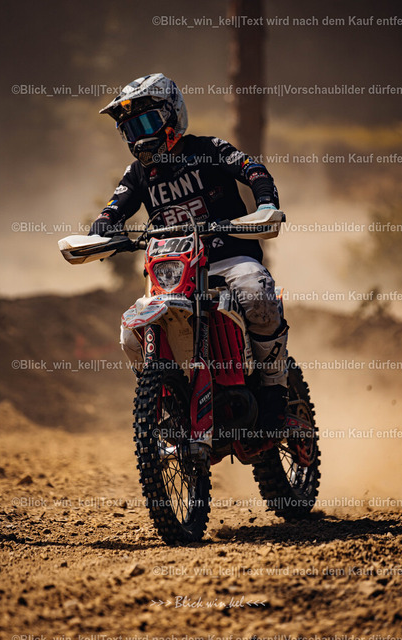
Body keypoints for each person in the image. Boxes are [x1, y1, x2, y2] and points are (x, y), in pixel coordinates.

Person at [88, 73, 288, 431]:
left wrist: (265, 204)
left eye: (146, 123)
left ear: (172, 115)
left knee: (255, 292)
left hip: (228, 258)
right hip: (173, 275)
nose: (139, 137)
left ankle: (274, 390)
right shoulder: (138, 174)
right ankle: (172, 401)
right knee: (130, 336)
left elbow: (253, 170)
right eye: (130, 129)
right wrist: (102, 227)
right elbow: (113, 208)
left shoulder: (208, 150)